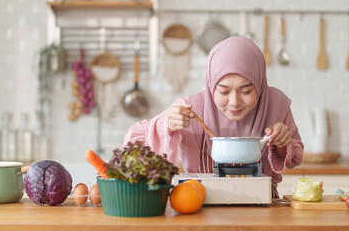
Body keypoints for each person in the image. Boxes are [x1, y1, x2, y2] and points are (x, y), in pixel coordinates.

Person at [123, 36, 303, 198]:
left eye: (246, 91)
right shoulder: (190, 108)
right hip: (197, 201)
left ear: (261, 83)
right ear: (210, 85)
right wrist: (166, 125)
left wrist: (281, 142)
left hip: (263, 204)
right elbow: (133, 143)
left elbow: (293, 158)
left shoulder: (276, 105)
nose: (234, 102)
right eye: (224, 91)